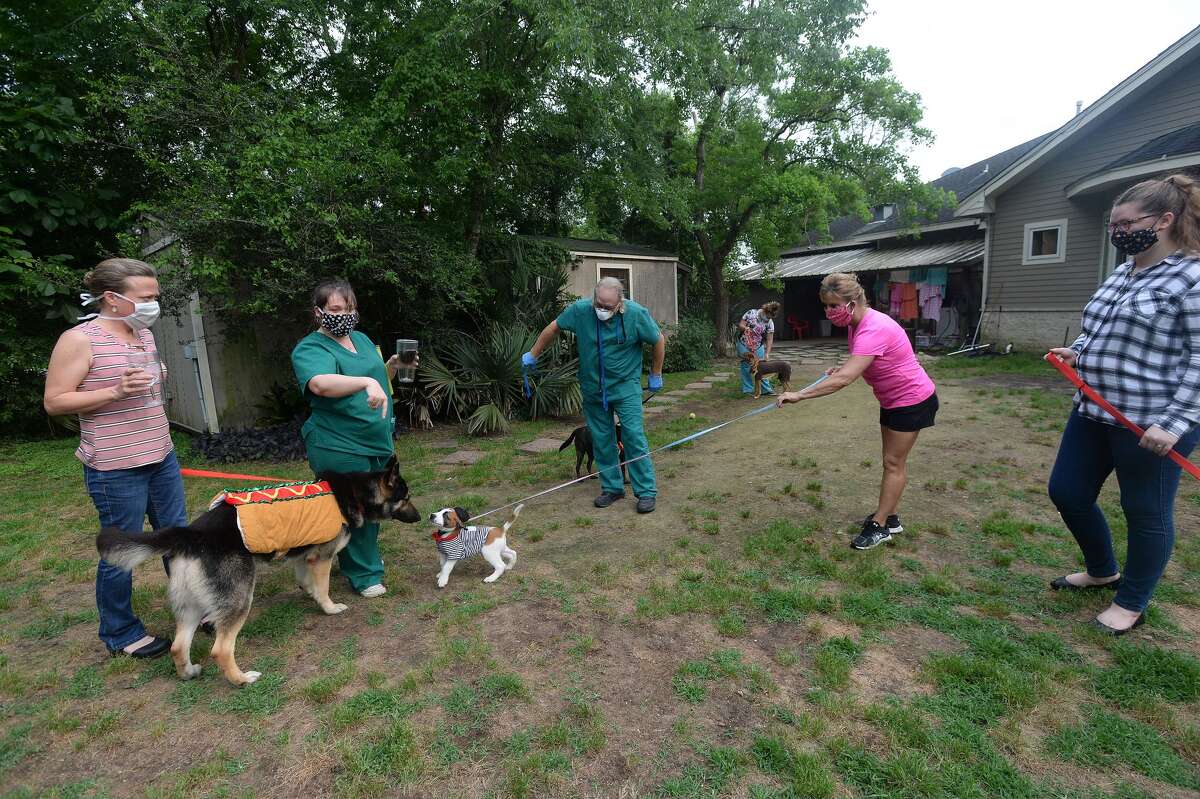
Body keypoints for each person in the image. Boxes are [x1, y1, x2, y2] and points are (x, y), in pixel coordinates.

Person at [1047, 174, 1200, 636]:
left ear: (1164, 220)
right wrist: (1079, 350)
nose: (1117, 232)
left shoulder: (1192, 277)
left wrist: (1173, 423)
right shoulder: (1124, 269)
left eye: (1125, 223)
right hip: (1094, 411)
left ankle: (1131, 601)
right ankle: (1102, 570)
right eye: (1114, 225)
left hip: (1148, 424)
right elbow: (1101, 328)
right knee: (1068, 492)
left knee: (1145, 511)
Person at [44, 258, 186, 659]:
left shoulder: (141, 335)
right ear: (112, 298)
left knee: (179, 540)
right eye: (146, 297)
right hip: (114, 466)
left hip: (161, 455)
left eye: (154, 297)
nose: (152, 305)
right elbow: (55, 401)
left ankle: (193, 610)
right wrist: (114, 392)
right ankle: (120, 631)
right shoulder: (79, 339)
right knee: (122, 549)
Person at [776, 273, 937, 550]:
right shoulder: (857, 323)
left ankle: (880, 525)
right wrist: (844, 367)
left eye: (833, 306)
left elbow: (844, 380)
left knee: (893, 463)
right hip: (892, 400)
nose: (828, 312)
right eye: (825, 306)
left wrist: (800, 394)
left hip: (911, 401)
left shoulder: (874, 327)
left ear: (853, 302)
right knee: (892, 461)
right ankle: (891, 517)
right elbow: (864, 362)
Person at [291, 278, 411, 598]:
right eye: (335, 309)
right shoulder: (310, 348)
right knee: (356, 506)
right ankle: (364, 573)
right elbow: (320, 384)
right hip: (338, 442)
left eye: (350, 308)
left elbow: (375, 379)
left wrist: (392, 367)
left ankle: (355, 559)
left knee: (374, 502)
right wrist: (364, 384)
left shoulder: (359, 337)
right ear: (318, 313)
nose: (344, 314)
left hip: (375, 439)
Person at [524, 277, 665, 513]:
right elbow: (554, 327)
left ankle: (646, 492)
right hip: (593, 387)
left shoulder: (636, 314)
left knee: (633, 436)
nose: (601, 310)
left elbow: (658, 339)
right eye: (598, 304)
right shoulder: (581, 311)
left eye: (607, 307)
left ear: (620, 303)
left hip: (625, 387)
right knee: (601, 438)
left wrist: (656, 373)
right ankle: (613, 488)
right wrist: (533, 354)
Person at [737, 301, 780, 395]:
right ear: (765, 311)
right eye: (768, 316)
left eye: (771, 318)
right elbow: (740, 325)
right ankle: (748, 389)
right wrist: (745, 328)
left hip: (758, 345)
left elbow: (769, 339)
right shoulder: (751, 313)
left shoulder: (770, 323)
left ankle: (766, 390)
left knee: (761, 366)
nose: (768, 319)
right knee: (746, 365)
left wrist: (767, 353)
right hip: (744, 343)